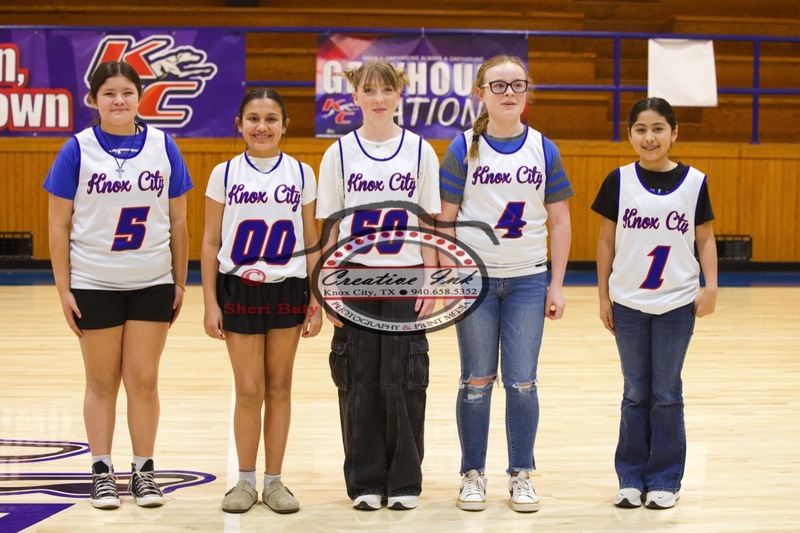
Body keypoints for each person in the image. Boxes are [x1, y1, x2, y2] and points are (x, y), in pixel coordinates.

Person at [44, 60, 193, 509]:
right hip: (93, 281)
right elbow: (57, 225)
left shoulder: (164, 146)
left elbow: (181, 220)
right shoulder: (76, 149)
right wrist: (64, 289)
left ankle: (144, 471)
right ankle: (101, 470)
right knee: (102, 380)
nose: (119, 101)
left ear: (140, 97)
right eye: (109, 93)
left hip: (151, 280)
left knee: (144, 380)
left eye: (127, 92)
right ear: (94, 100)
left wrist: (180, 282)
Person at [436, 54, 573, 513]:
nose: (509, 92)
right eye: (498, 86)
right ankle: (472, 473)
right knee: (476, 380)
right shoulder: (463, 149)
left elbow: (560, 219)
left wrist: (556, 283)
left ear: (527, 93)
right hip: (474, 282)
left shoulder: (544, 148)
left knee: (522, 383)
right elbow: (445, 220)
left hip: (528, 281)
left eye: (517, 84)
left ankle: (521, 474)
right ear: (481, 93)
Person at [315, 60, 441, 511]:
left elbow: (427, 222)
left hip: (406, 278)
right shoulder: (340, 153)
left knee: (406, 378)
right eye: (370, 89)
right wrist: (326, 285)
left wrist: (432, 279)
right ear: (356, 96)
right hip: (354, 278)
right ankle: (365, 480)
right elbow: (329, 228)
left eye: (387, 89)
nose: (379, 97)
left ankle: (405, 479)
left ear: (399, 94)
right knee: (360, 380)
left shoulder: (421, 150)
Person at [592, 97, 718, 510]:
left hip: (677, 304)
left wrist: (711, 285)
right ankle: (630, 477)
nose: (650, 136)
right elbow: (606, 240)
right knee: (634, 392)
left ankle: (664, 478)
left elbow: (705, 238)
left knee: (666, 392)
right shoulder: (618, 180)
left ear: (674, 133)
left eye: (659, 128)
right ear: (629, 134)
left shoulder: (695, 181)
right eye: (641, 129)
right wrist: (603, 295)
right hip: (628, 301)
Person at [201, 88, 322, 514]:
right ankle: (245, 481)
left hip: (287, 287)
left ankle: (275, 481)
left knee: (280, 387)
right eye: (253, 118)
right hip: (239, 287)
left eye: (271, 118)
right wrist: (210, 302)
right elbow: (211, 240)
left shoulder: (303, 173)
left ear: (285, 126)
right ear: (239, 124)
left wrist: (316, 298)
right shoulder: (225, 173)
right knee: (249, 390)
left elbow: (311, 239)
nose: (262, 126)